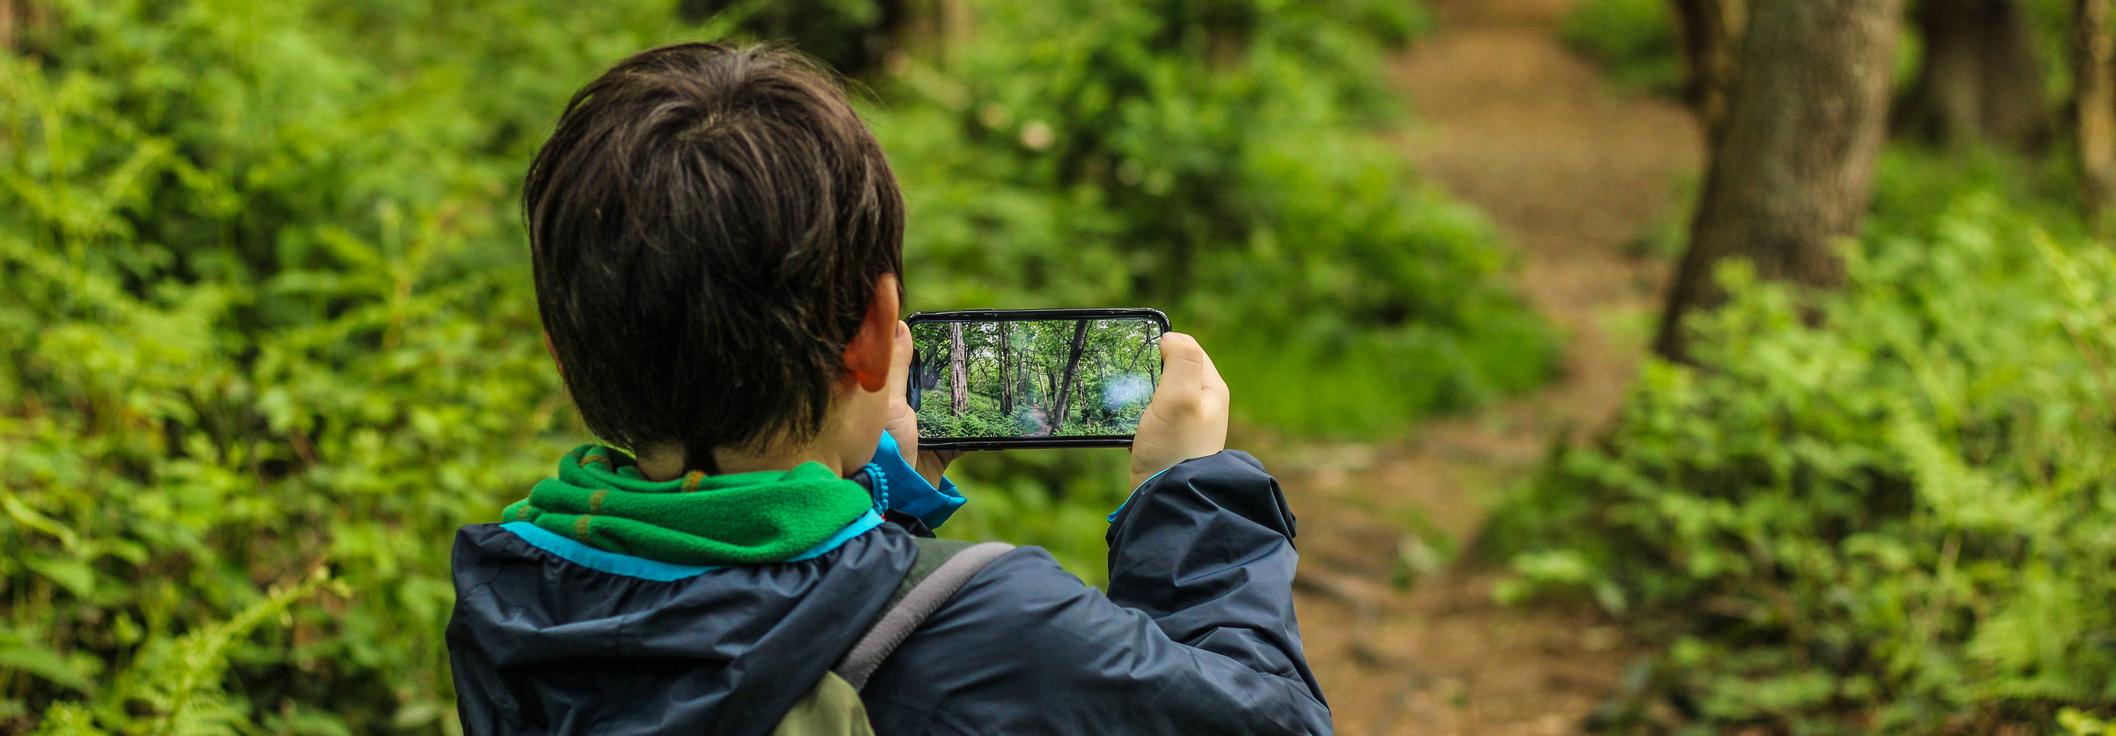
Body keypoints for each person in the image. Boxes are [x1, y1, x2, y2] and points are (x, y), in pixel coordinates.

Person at [445, 42, 1328, 735]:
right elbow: (1272, 719)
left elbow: (730, 626)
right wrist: (1189, 497)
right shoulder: (996, 627)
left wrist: (882, 514)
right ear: (875, 334)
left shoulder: (512, 589)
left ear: (565, 355)